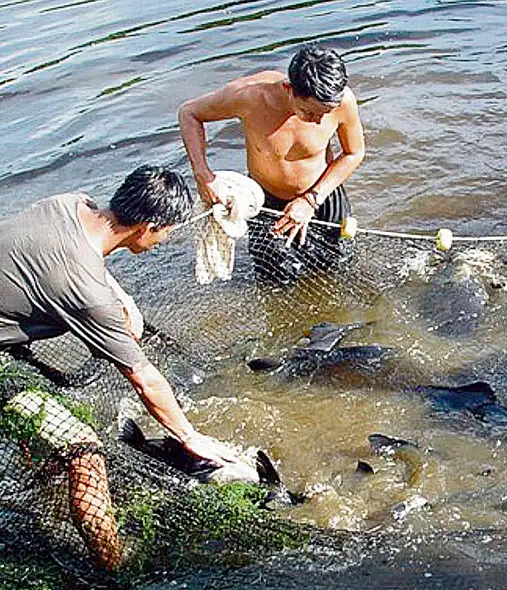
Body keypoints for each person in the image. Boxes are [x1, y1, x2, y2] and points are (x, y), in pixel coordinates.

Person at [0, 165, 238, 570]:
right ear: (145, 228)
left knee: (42, 430)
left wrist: (123, 296)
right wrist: (190, 436)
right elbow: (144, 378)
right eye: (165, 233)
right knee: (85, 452)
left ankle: (43, 488)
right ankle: (114, 565)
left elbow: (79, 256)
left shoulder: (71, 202)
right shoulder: (88, 295)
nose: (163, 242)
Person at [178, 43, 365, 283]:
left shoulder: (343, 101)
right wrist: (203, 175)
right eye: (309, 112)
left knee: (339, 270)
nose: (318, 122)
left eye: (326, 113)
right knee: (276, 280)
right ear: (289, 88)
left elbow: (354, 153)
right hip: (267, 202)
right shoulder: (249, 96)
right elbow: (189, 113)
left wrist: (310, 200)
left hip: (322, 194)